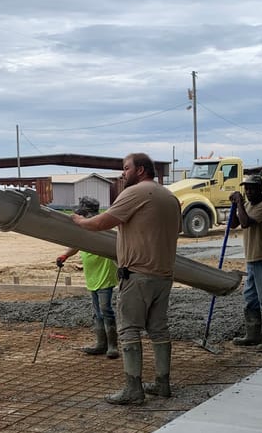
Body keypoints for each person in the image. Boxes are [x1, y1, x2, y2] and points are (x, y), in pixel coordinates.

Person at [72, 153, 180, 405]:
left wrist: (79, 221)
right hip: (163, 275)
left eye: (126, 168)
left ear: (140, 170)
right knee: (158, 329)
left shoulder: (135, 193)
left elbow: (101, 223)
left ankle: (133, 389)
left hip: (138, 274)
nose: (123, 173)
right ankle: (162, 383)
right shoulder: (170, 197)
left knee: (129, 329)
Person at [55, 197, 119, 359]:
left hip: (104, 274)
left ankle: (113, 346)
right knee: (97, 311)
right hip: (92, 276)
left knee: (105, 310)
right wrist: (64, 256)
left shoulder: (102, 227)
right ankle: (101, 344)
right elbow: (77, 245)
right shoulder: (85, 228)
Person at [229, 173, 262, 351]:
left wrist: (239, 203)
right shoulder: (247, 205)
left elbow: (245, 223)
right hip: (252, 259)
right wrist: (234, 205)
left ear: (260, 189)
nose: (249, 192)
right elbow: (234, 224)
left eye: (252, 189)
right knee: (250, 299)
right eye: (246, 189)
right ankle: (253, 335)